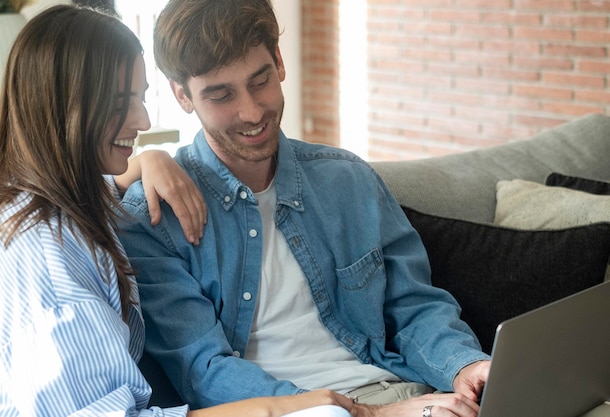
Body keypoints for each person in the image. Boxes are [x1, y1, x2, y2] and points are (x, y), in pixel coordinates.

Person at [118, 0, 491, 416]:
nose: (252, 112)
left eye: (259, 81)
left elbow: (412, 306)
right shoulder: (152, 218)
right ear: (182, 95)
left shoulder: (346, 180)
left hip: (400, 393)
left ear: (279, 61)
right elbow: (203, 372)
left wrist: (465, 365)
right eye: (221, 95)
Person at [0, 4, 354, 417]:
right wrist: (277, 407)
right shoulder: (45, 259)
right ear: (63, 107)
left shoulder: (64, 201)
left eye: (141, 97)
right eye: (121, 102)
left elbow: (110, 187)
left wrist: (149, 159)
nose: (142, 120)